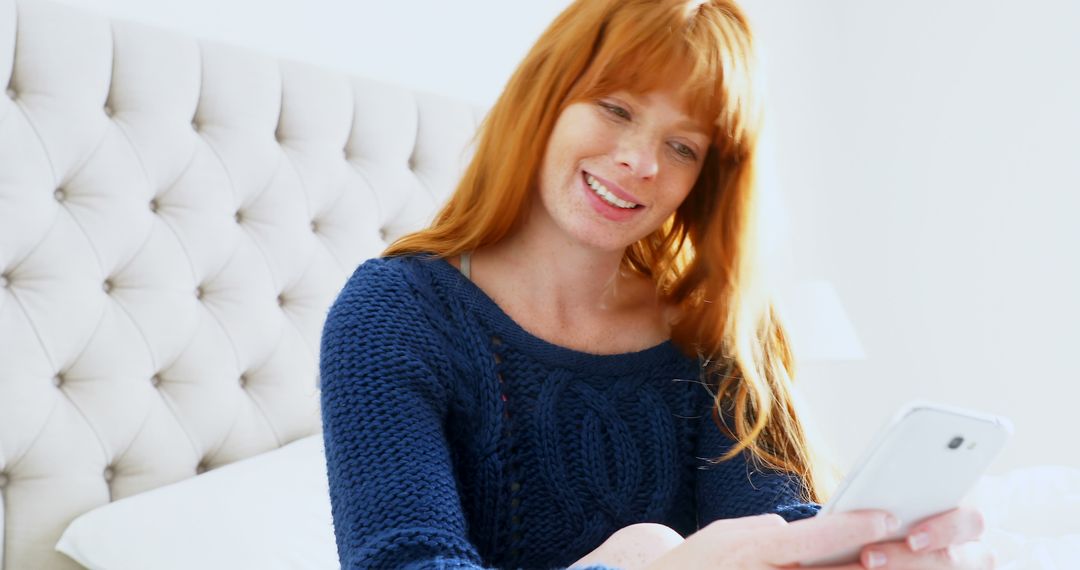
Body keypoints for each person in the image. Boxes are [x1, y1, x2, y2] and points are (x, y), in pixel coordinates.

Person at [318, 0, 991, 568]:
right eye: (615, 108)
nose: (640, 161)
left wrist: (847, 548)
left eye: (683, 147)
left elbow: (772, 523)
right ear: (545, 96)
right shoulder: (394, 313)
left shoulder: (718, 327)